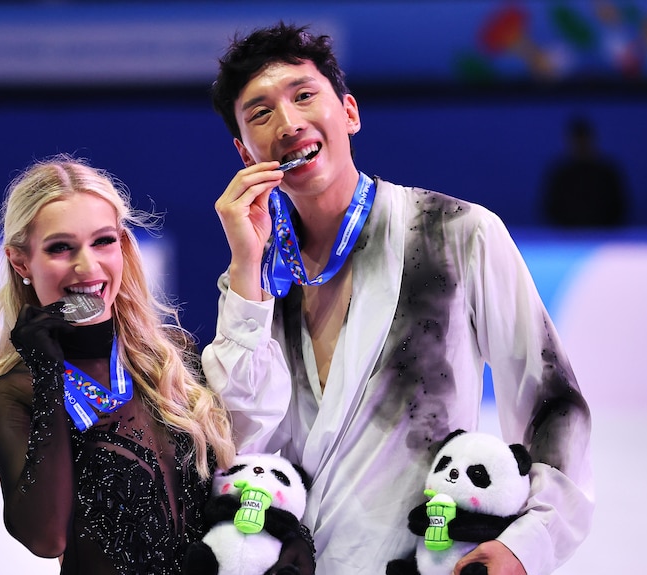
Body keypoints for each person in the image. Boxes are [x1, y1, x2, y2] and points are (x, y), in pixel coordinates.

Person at [201, 22, 594, 575]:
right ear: (246, 153)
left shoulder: (456, 233)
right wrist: (246, 269)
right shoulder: (258, 276)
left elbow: (551, 400)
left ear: (350, 112)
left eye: (304, 95)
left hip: (422, 560)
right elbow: (238, 442)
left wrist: (529, 542)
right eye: (261, 113)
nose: (288, 124)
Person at [0, 155, 237, 574]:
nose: (87, 267)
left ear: (123, 246)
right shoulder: (15, 394)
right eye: (60, 247)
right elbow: (46, 538)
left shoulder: (172, 361)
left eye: (103, 241)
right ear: (21, 262)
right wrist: (47, 376)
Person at [541, 115, 629, 228]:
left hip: (602, 233)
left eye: (584, 140)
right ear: (570, 141)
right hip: (566, 234)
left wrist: (604, 229)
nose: (581, 145)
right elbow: (550, 207)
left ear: (591, 140)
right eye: (577, 140)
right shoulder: (560, 174)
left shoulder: (607, 173)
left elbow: (619, 207)